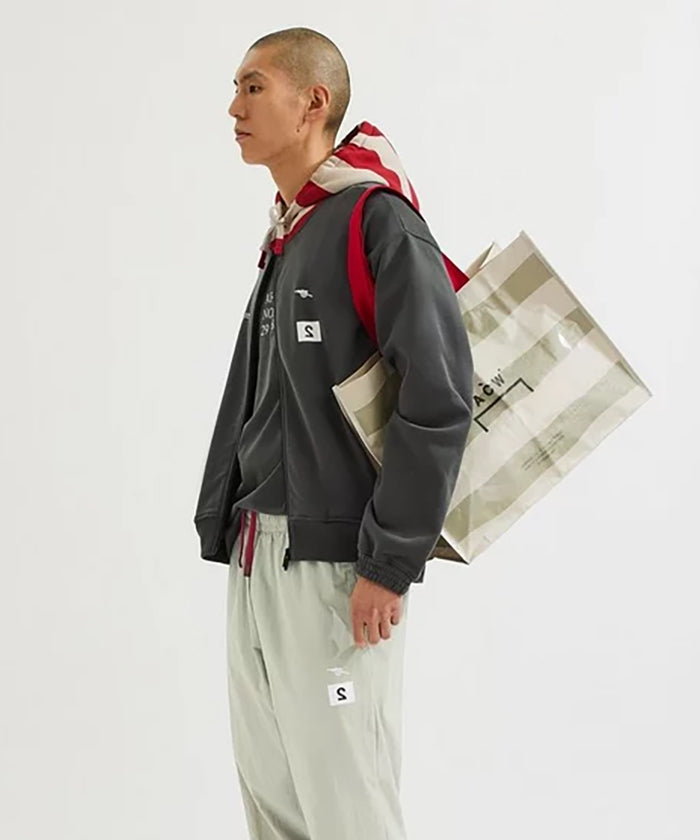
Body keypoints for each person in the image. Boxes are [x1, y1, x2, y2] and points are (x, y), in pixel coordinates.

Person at [193, 26, 474, 840]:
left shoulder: (374, 219)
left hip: (334, 571)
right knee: (275, 797)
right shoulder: (291, 231)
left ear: (313, 101)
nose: (234, 107)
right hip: (258, 557)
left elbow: (439, 396)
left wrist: (390, 561)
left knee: (344, 795)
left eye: (253, 86)